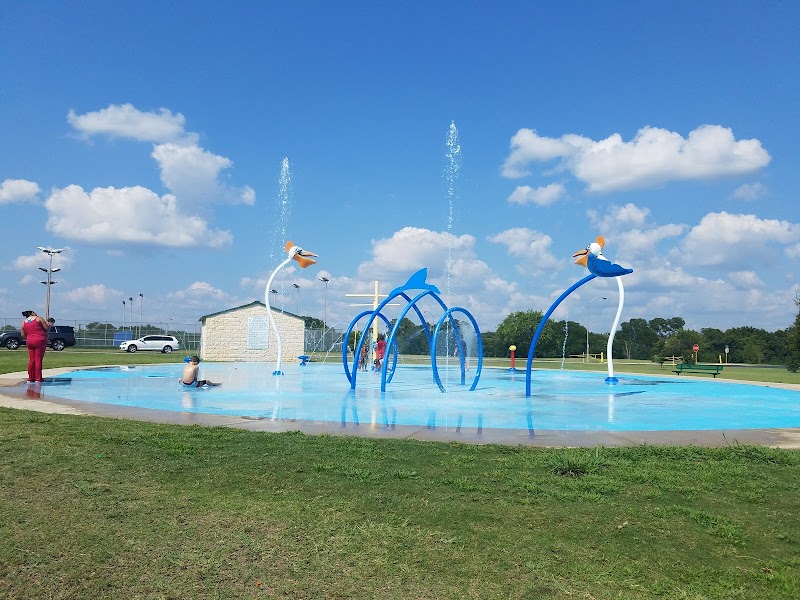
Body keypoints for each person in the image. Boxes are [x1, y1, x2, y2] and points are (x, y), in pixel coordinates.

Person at [20, 310, 50, 383]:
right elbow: (46, 328)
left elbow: (23, 335)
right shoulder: (38, 318)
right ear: (32, 313)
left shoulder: (24, 323)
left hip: (29, 341)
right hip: (39, 340)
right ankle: (38, 378)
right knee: (38, 359)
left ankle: (30, 378)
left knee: (31, 359)